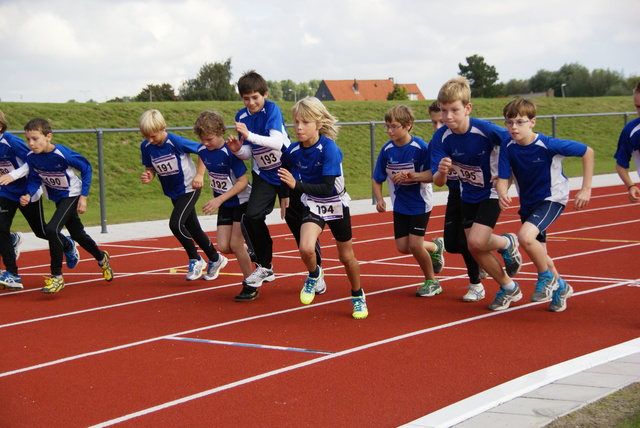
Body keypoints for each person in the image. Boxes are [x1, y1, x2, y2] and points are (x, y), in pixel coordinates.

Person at [430, 77, 523, 311]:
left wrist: (504, 175)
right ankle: (508, 283)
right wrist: (441, 171)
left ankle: (504, 265)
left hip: (490, 191)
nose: (448, 116)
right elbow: (438, 182)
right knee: (475, 247)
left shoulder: (485, 129)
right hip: (467, 193)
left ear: (467, 108)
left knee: (475, 241)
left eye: (454, 110)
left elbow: (514, 142)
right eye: (443, 110)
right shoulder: (441, 138)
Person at [496, 98, 593, 312]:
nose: (513, 127)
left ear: (532, 122)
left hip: (552, 199)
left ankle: (547, 279)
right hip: (528, 203)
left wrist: (586, 188)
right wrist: (502, 192)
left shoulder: (548, 145)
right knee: (542, 254)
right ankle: (561, 287)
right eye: (509, 122)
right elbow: (503, 177)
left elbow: (588, 151)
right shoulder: (508, 145)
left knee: (525, 237)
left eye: (519, 122)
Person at [278, 96, 368, 319]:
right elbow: (282, 171)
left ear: (318, 124)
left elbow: (328, 188)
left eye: (305, 122)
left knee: (346, 257)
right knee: (306, 248)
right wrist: (284, 195)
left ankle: (358, 295)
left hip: (336, 204)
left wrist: (296, 185)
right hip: (313, 205)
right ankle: (314, 274)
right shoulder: (292, 151)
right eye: (296, 121)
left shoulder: (329, 149)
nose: (299, 127)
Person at [20, 118, 113, 293]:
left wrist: (83, 197)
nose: (31, 143)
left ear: (48, 137)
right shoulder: (31, 157)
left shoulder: (63, 154)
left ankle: (57, 277)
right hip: (57, 198)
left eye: (35, 138)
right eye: (28, 139)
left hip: (72, 195)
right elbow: (33, 178)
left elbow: (86, 168)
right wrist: (28, 193)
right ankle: (101, 257)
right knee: (78, 234)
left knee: (52, 229)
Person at [225, 70, 294, 301]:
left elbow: (276, 142)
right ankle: (265, 265)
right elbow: (249, 152)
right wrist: (237, 149)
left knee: (297, 223)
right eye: (246, 98)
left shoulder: (272, 109)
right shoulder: (241, 116)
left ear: (264, 94)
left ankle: (316, 272)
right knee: (252, 217)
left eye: (255, 97)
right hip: (264, 174)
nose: (251, 102)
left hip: (287, 170)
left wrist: (251, 136)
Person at [139, 109, 227, 282]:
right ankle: (216, 259)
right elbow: (150, 167)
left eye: (154, 136)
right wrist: (149, 174)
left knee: (176, 224)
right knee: (193, 228)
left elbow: (203, 151)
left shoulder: (175, 142)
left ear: (163, 127)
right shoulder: (146, 147)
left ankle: (195, 258)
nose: (150, 140)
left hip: (189, 188)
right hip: (173, 191)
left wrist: (200, 175)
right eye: (146, 136)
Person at [371, 104, 445, 297]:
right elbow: (376, 178)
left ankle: (432, 281)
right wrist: (379, 199)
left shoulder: (420, 148)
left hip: (420, 202)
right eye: (386, 126)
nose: (389, 131)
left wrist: (412, 176)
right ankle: (436, 247)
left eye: (394, 126)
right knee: (403, 247)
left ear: (408, 125)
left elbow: (433, 175)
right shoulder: (387, 150)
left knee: (414, 245)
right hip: (400, 204)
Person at [428, 101, 487, 302]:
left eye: (441, 121)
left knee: (466, 241)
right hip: (454, 192)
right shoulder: (439, 140)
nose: (439, 126)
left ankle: (475, 284)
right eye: (434, 122)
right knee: (452, 245)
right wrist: (438, 172)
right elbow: (435, 179)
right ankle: (490, 250)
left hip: (474, 192)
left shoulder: (470, 135)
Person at [1, 110, 62, 290]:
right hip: (6, 192)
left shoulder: (11, 142)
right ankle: (12, 274)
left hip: (27, 192)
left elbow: (32, 161)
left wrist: (13, 175)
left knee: (42, 231)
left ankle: (66, 244)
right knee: (0, 228)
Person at [192, 110, 251, 287]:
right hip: (225, 202)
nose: (205, 143)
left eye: (209, 139)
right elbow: (205, 158)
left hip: (241, 200)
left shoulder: (229, 152)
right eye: (202, 139)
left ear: (220, 133)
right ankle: (249, 248)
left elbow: (243, 182)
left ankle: (250, 282)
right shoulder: (203, 150)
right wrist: (201, 175)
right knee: (224, 247)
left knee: (236, 244)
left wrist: (219, 199)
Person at [614, 81, 640, 203]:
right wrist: (631, 186)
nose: (639, 111)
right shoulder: (631, 131)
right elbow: (621, 164)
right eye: (637, 106)